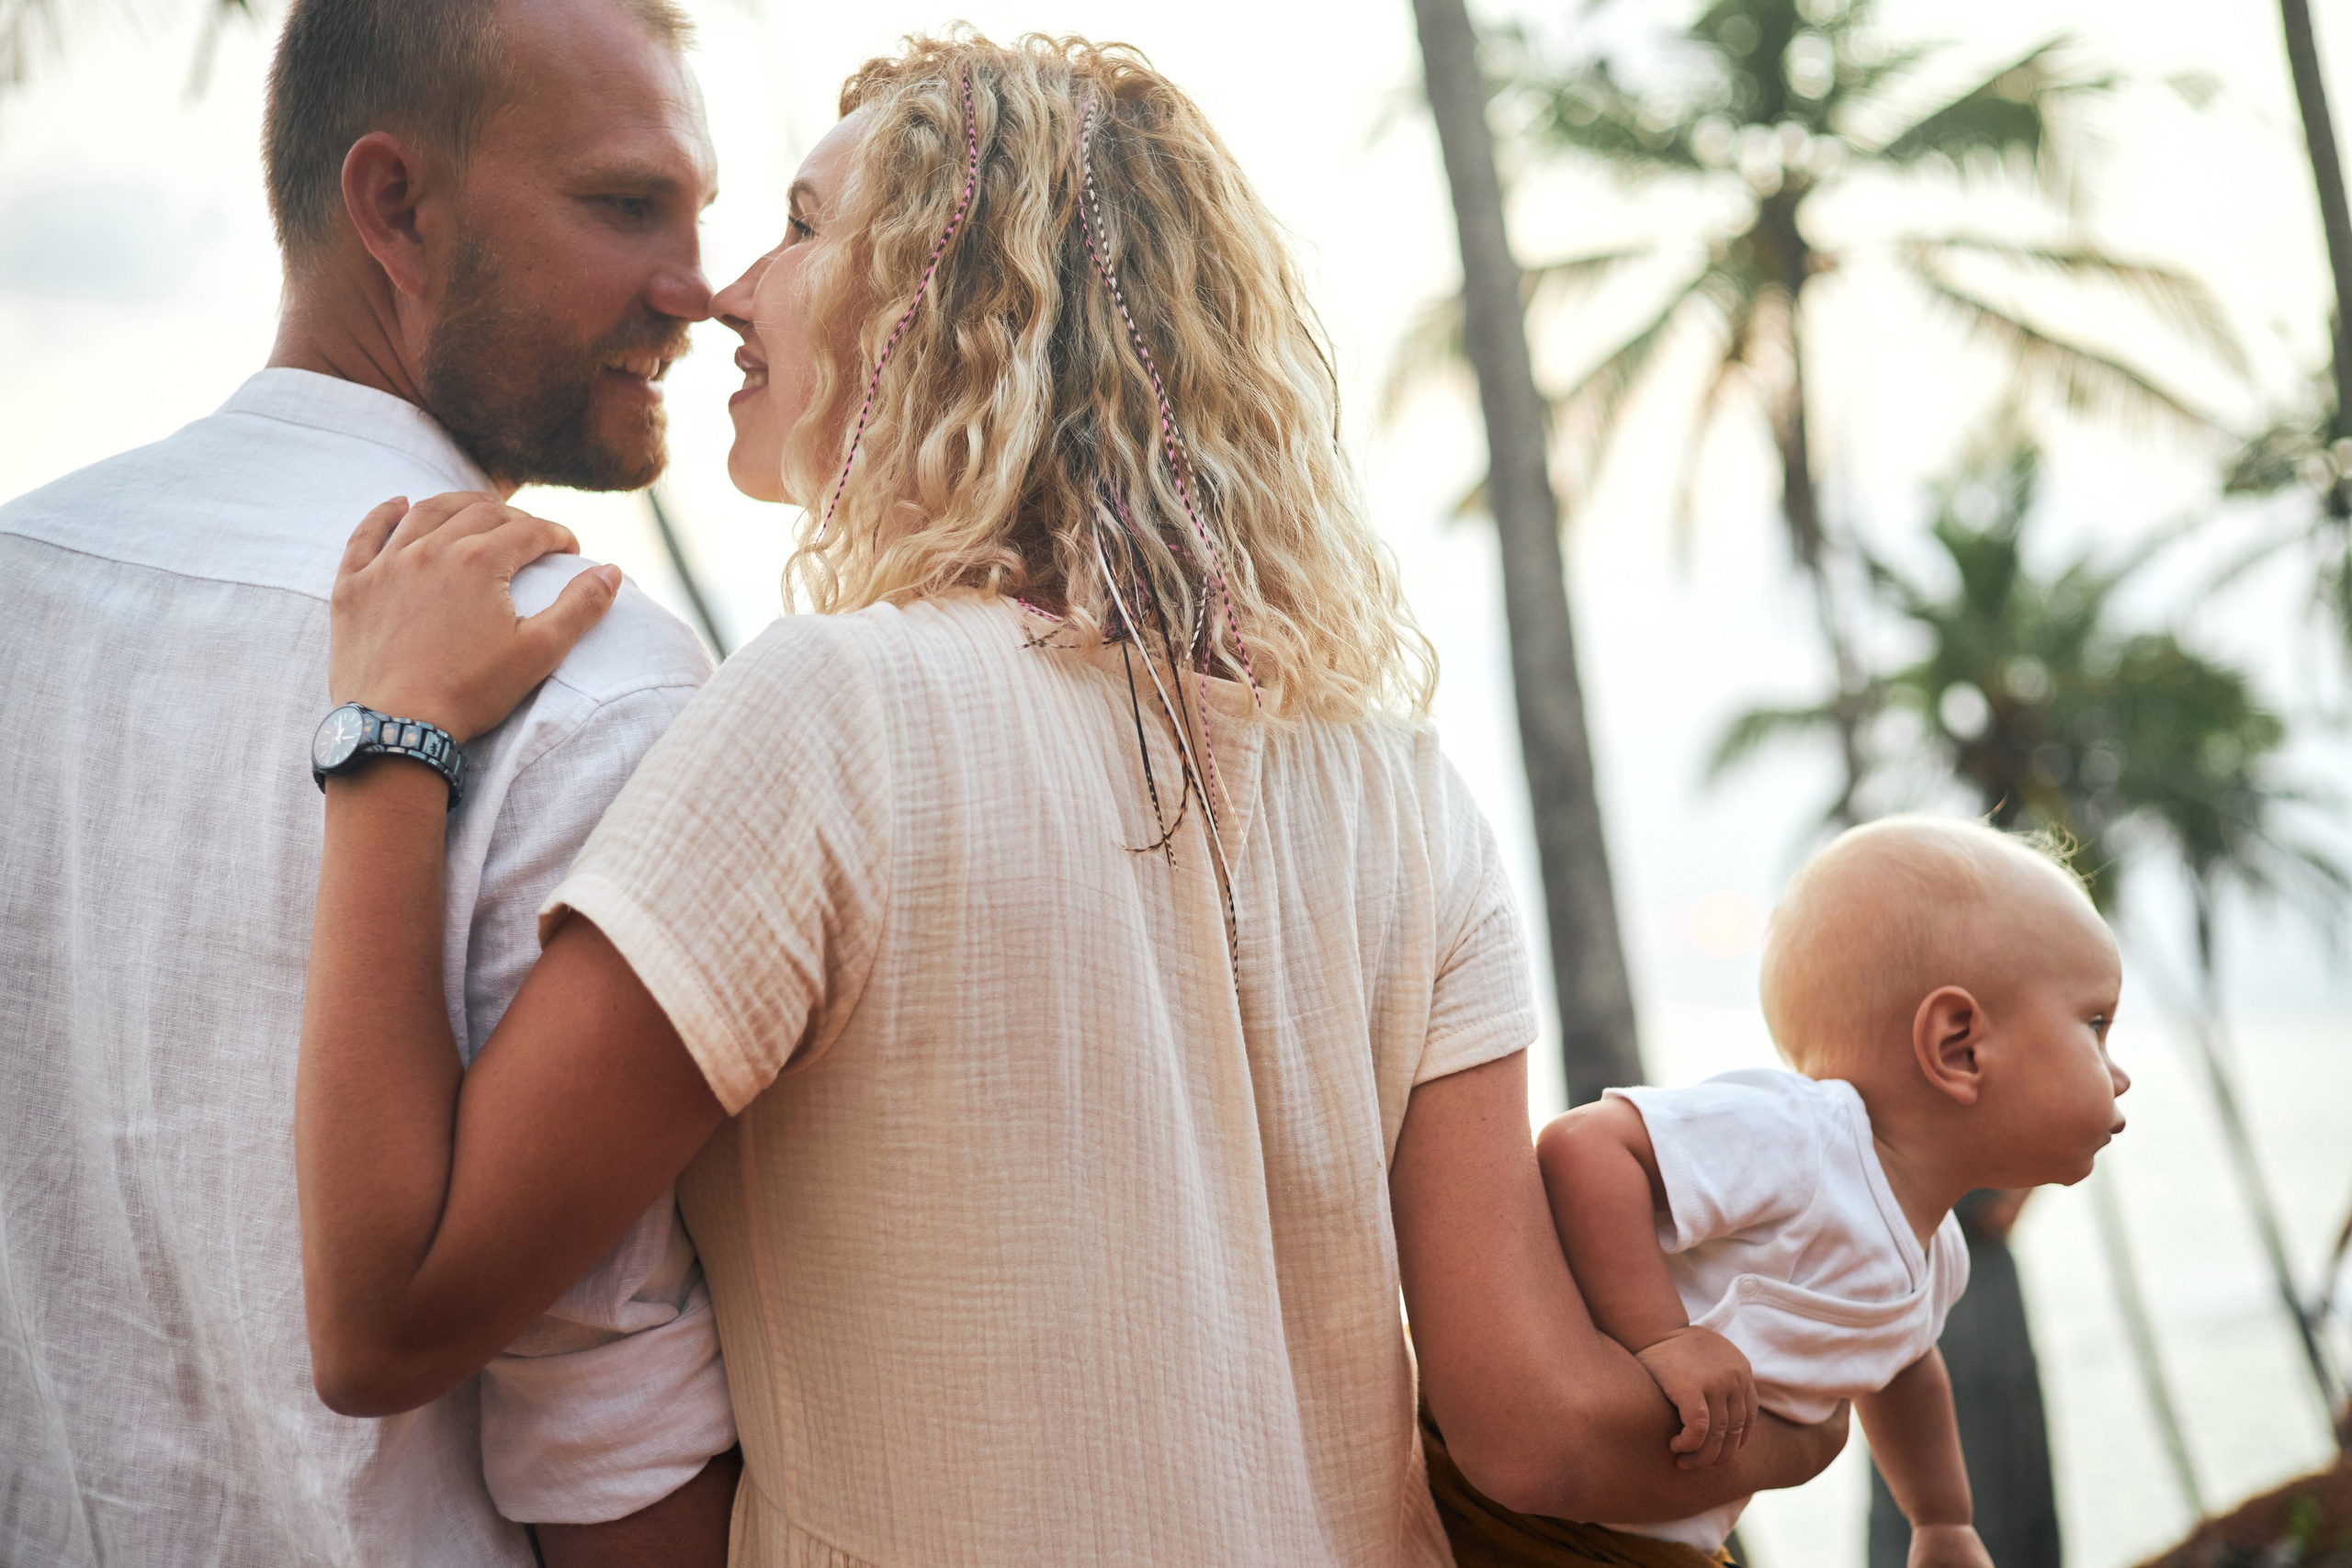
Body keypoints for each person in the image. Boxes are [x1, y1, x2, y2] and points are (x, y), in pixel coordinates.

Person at [290, 32, 1850, 1567]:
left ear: (950, 303)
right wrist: (1802, 1423)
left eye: (805, 226)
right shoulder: (1403, 788)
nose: (724, 291)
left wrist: (389, 736)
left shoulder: (836, 713)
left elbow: (392, 1309)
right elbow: (1538, 1429)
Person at [0, 0, 741, 1562]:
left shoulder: (22, 585)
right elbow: (613, 1431)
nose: (700, 291)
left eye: (703, 216)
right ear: (396, 206)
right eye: (625, 204)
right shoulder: (594, 685)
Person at [1519, 818, 2129, 1568]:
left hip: (1651, 1539)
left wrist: (1940, 1519)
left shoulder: (1937, 1254)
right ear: (1959, 1046)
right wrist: (1663, 1337)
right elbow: (1585, 1147)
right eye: (2094, 1023)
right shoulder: (1802, 1139)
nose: (2119, 1071)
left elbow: (1902, 1364)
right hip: (1518, 1507)